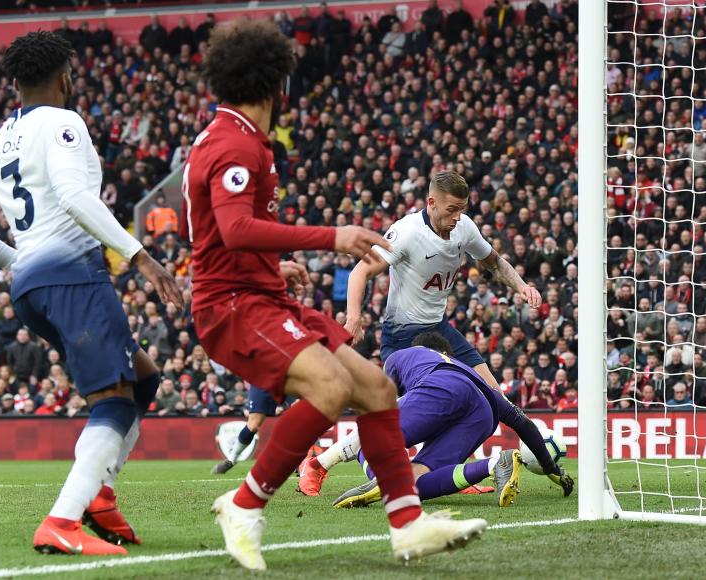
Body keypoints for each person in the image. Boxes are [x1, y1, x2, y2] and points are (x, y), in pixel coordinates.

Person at [182, 19, 486, 571]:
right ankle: (245, 506)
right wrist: (333, 238)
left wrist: (279, 263)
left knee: (372, 385)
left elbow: (230, 233)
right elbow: (232, 231)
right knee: (328, 386)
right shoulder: (235, 145)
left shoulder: (240, 138)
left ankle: (408, 526)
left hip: (259, 294)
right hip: (230, 305)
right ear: (279, 86)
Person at [0, 31, 182, 555]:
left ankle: (100, 491)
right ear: (65, 79)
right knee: (115, 402)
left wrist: (15, 259)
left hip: (32, 286)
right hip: (72, 274)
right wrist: (142, 258)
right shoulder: (64, 122)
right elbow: (75, 196)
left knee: (142, 379)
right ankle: (63, 520)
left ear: (14, 84)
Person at [344, 169, 542, 389]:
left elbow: (494, 262)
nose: (457, 217)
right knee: (411, 408)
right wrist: (354, 317)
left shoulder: (464, 227)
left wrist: (521, 286)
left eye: (461, 209)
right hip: (402, 335)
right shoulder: (408, 232)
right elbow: (360, 272)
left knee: (494, 393)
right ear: (432, 202)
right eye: (452, 209)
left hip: (439, 327)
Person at [330, 333, 574, 509]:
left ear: (424, 350)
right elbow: (523, 423)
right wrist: (551, 468)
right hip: (483, 411)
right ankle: (494, 465)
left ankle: (384, 480)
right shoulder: (469, 373)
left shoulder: (400, 357)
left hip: (440, 386)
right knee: (417, 480)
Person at [210, 384, 277, 474]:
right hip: (263, 381)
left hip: (288, 377)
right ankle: (231, 460)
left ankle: (300, 463)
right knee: (253, 425)